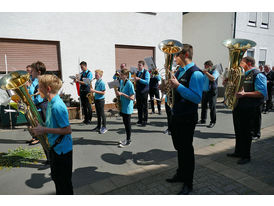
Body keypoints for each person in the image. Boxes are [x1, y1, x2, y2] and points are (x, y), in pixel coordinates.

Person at [165, 44, 204, 195]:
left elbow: (197, 97)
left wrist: (178, 86)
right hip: (177, 115)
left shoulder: (196, 73)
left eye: (177, 55)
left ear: (185, 54)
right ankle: (181, 174)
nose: (174, 58)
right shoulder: (180, 71)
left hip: (187, 117)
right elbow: (175, 90)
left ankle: (188, 182)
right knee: (179, 148)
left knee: (187, 150)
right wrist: (167, 87)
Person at [31, 74, 73, 195]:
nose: (38, 89)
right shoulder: (50, 102)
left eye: (40, 87)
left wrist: (43, 130)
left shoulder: (57, 106)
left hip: (62, 151)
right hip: (55, 148)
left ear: (48, 88)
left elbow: (67, 130)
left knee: (64, 186)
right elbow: (51, 124)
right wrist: (40, 124)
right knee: (57, 181)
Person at [227, 56, 267, 165]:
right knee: (239, 131)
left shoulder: (258, 74)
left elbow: (262, 93)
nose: (239, 64)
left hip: (250, 108)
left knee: (246, 132)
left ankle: (246, 155)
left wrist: (245, 94)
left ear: (248, 63)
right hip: (239, 106)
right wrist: (228, 83)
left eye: (241, 62)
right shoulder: (242, 74)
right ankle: (238, 152)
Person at [27, 61, 47, 145]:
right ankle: (37, 137)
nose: (31, 72)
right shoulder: (34, 80)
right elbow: (31, 92)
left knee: (41, 126)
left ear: (39, 72)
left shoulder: (41, 82)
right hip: (36, 106)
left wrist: (29, 102)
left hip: (41, 107)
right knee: (35, 125)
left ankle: (42, 140)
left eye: (33, 71)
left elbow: (40, 99)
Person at [115, 69, 135, 147]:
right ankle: (127, 139)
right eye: (120, 74)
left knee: (127, 124)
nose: (120, 75)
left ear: (126, 75)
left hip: (127, 107)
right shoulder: (122, 82)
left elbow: (132, 97)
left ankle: (128, 140)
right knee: (125, 123)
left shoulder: (129, 83)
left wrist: (122, 94)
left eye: (121, 74)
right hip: (123, 106)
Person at [198, 60, 219, 128]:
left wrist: (206, 73)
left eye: (206, 66)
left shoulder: (215, 71)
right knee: (203, 106)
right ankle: (203, 120)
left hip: (212, 92)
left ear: (210, 66)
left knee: (212, 107)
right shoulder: (205, 72)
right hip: (204, 91)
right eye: (204, 66)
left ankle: (213, 121)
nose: (204, 67)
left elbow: (212, 78)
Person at [90, 70, 108, 134]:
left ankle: (104, 127)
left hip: (101, 100)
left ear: (100, 75)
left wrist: (94, 91)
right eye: (95, 75)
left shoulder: (102, 83)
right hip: (96, 99)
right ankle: (98, 126)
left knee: (102, 114)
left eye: (96, 75)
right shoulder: (97, 82)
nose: (95, 76)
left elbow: (103, 92)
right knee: (98, 114)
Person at [134, 60, 150, 126]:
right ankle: (140, 119)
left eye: (140, 65)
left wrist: (139, 79)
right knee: (139, 106)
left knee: (144, 106)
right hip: (138, 91)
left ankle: (145, 120)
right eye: (138, 65)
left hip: (144, 91)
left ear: (143, 66)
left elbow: (147, 82)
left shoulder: (146, 72)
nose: (139, 66)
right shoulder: (137, 73)